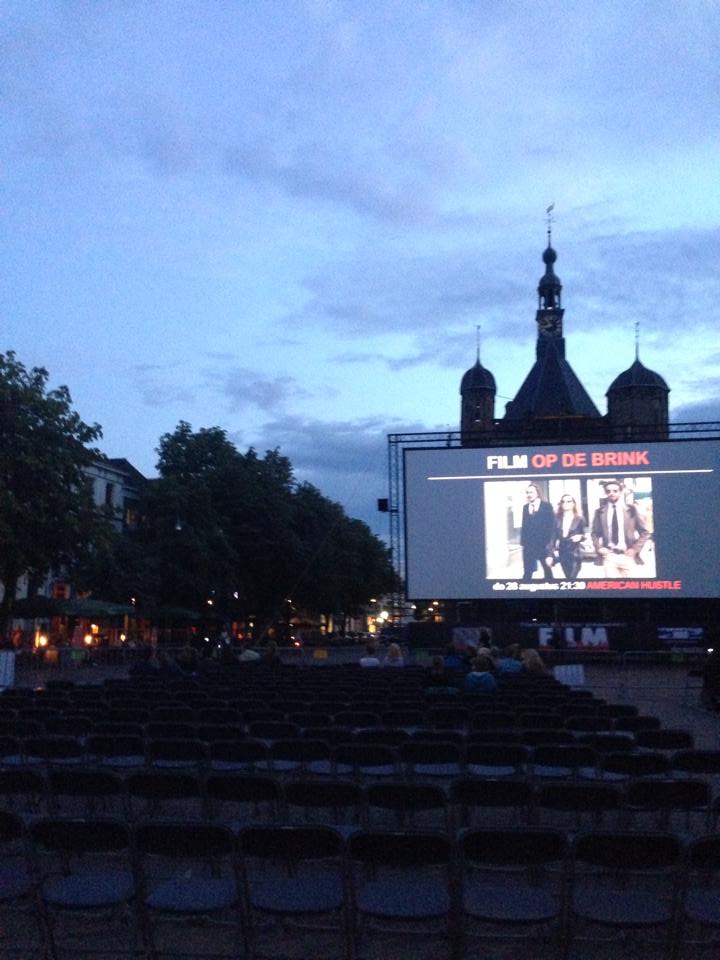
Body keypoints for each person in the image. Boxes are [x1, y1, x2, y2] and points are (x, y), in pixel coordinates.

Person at [591, 480, 650, 577]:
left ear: (621, 492)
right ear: (605, 493)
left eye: (615, 491)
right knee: (612, 589)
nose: (611, 493)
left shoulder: (632, 509)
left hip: (627, 555)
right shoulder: (599, 512)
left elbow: (645, 532)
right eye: (608, 491)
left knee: (632, 588)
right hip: (609, 556)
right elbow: (594, 533)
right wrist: (599, 548)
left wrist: (635, 549)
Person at [547, 494, 587, 580]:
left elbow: (584, 535)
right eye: (563, 501)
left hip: (575, 553)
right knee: (568, 577)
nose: (566, 503)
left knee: (572, 578)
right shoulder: (556, 519)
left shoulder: (580, 519)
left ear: (573, 504)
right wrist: (550, 555)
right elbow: (552, 538)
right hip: (563, 553)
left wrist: (580, 537)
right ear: (561, 504)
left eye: (569, 501)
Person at [520, 483, 555, 580]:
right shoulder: (525, 507)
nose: (529, 494)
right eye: (527, 492)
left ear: (537, 493)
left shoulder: (547, 506)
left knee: (547, 570)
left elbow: (551, 526)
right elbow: (524, 526)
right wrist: (523, 543)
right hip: (529, 546)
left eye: (531, 492)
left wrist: (550, 545)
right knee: (527, 572)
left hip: (543, 545)